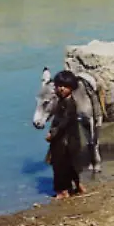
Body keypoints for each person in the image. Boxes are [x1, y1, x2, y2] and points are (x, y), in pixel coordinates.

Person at [45, 71, 86, 199]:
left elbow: (64, 122)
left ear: (71, 87)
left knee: (60, 166)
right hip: (70, 139)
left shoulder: (69, 104)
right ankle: (78, 185)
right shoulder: (63, 101)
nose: (61, 89)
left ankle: (62, 191)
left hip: (64, 141)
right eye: (59, 86)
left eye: (65, 86)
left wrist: (52, 134)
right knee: (71, 165)